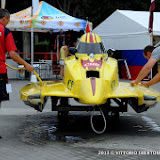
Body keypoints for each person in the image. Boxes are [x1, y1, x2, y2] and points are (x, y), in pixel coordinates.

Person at [0, 9, 33, 138]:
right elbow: (12, 54)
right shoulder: (5, 31)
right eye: (9, 20)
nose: (9, 22)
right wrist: (26, 64)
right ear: (5, 18)